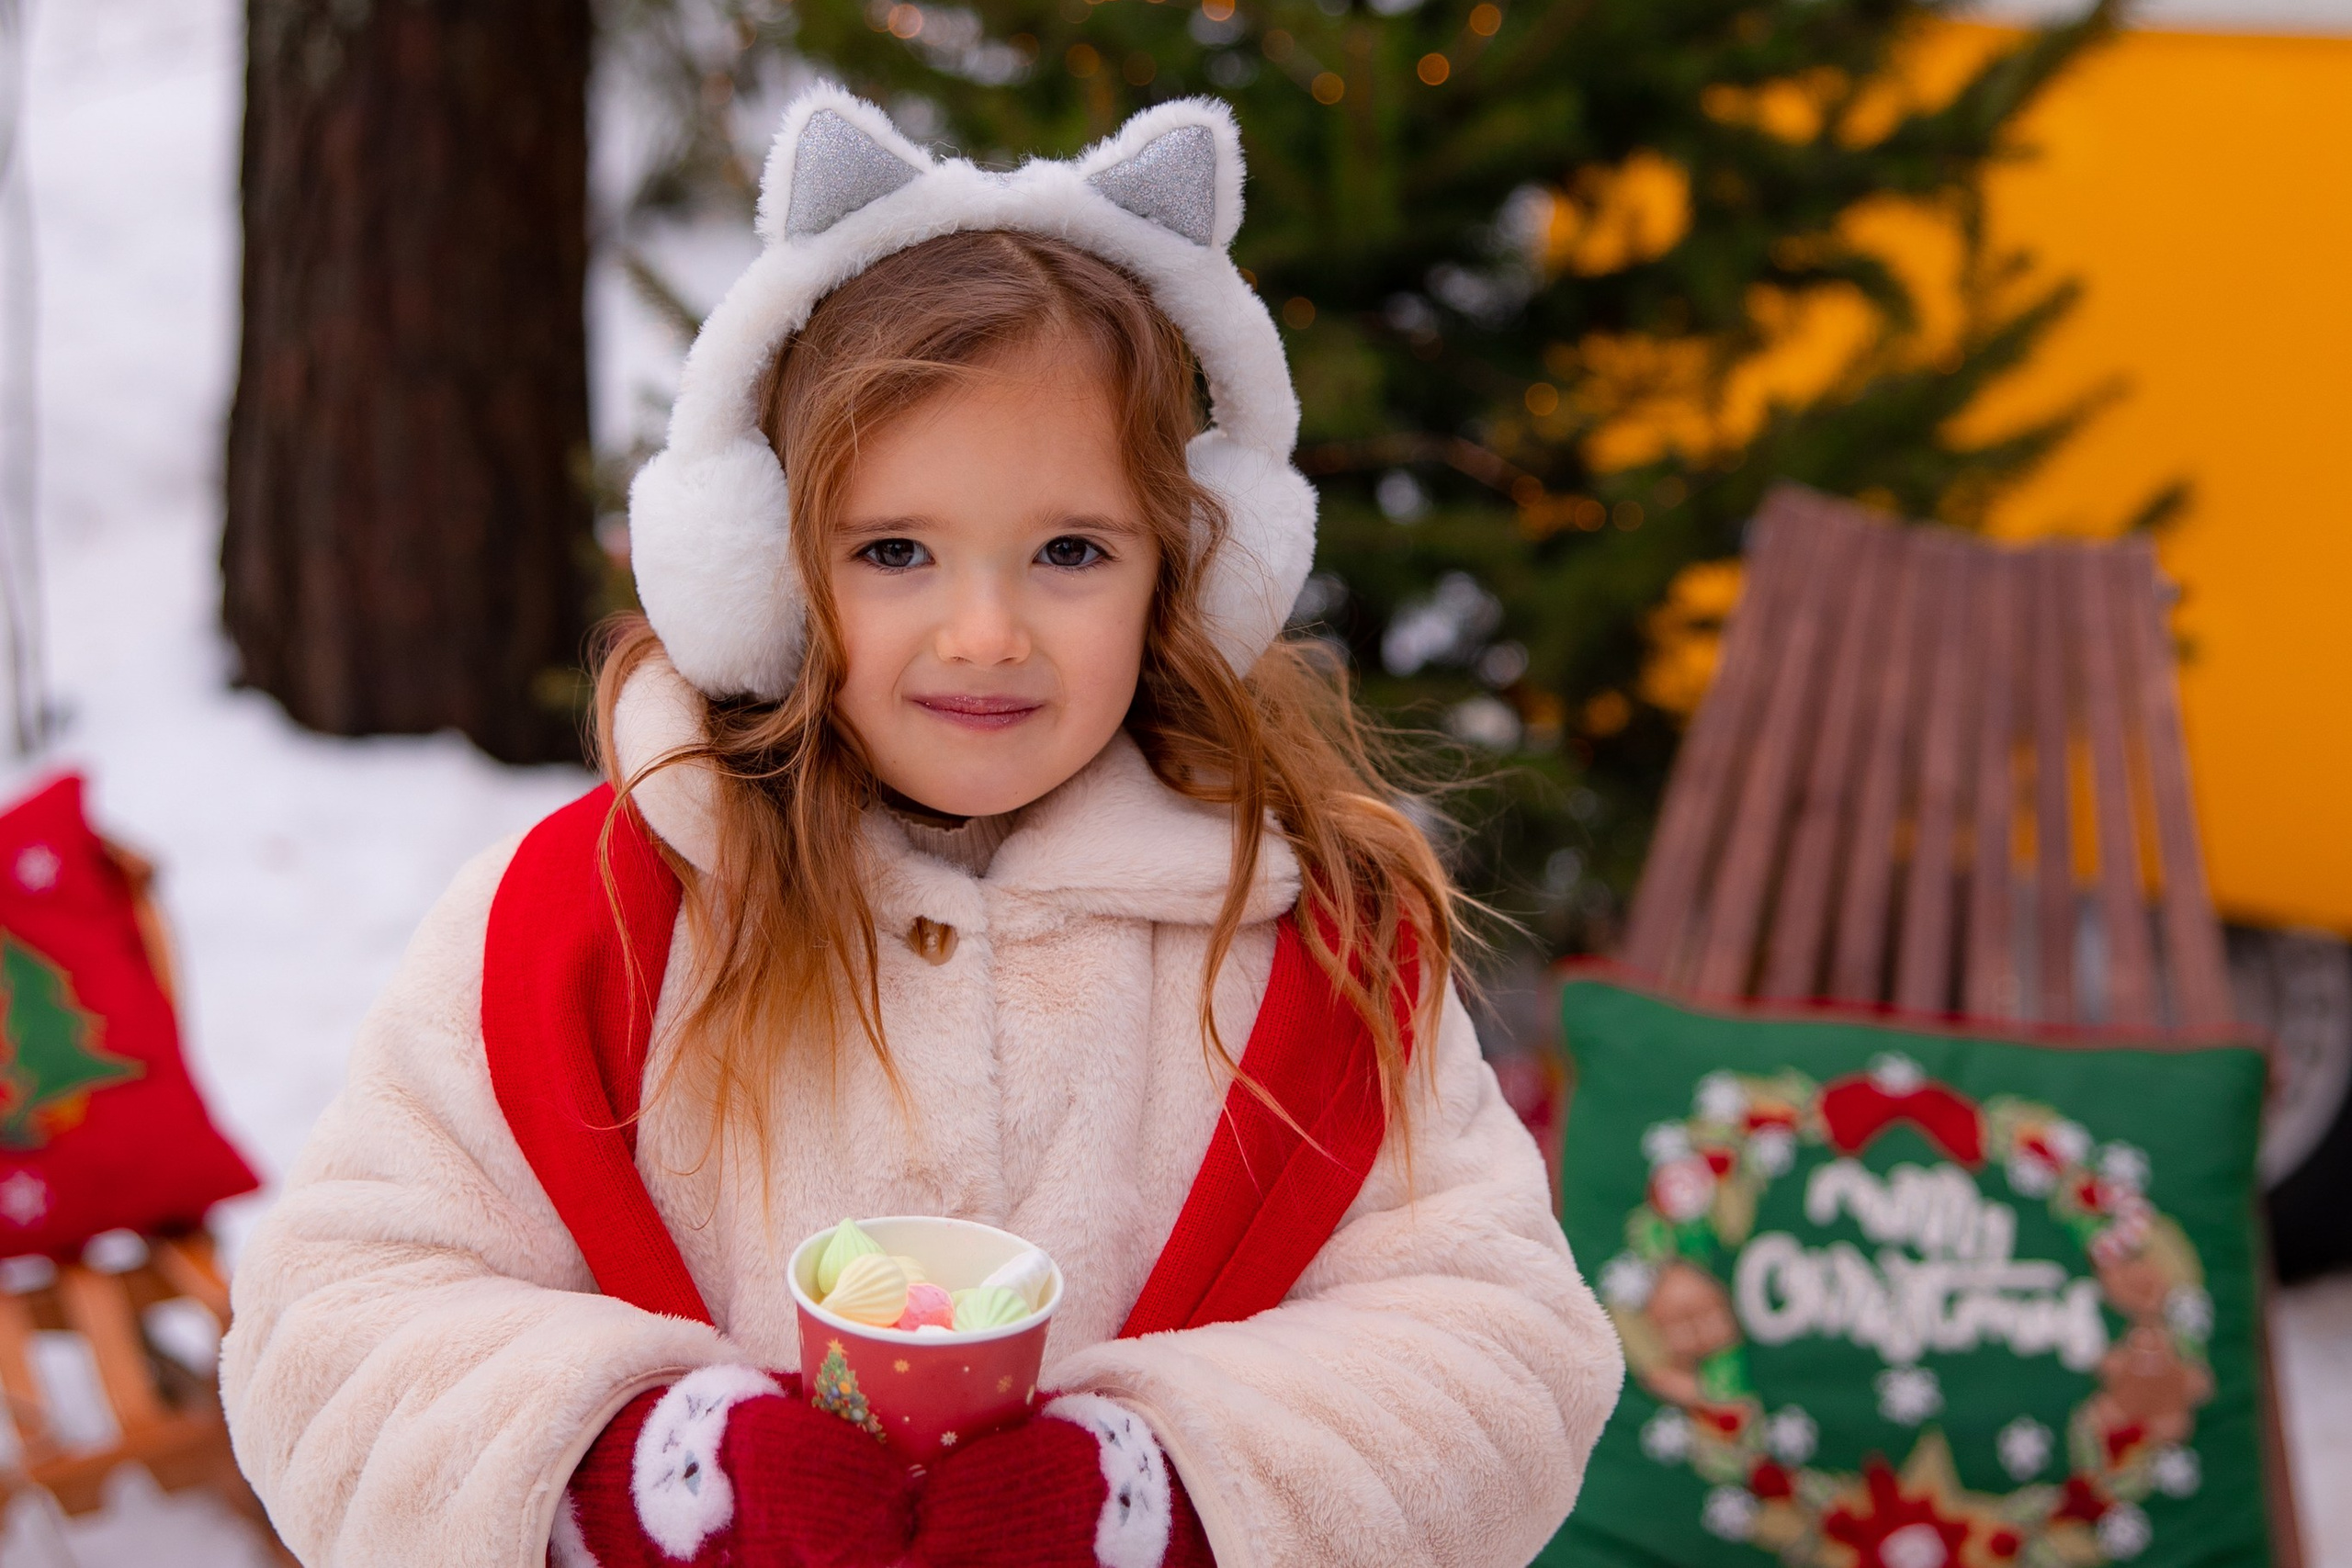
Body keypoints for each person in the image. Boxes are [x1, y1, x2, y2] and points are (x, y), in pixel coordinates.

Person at [220, 88, 1623, 1568]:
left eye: (1071, 551)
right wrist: (645, 1469)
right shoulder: (590, 918)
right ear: (763, 569)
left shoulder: (1305, 945)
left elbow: (1500, 1352)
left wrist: (1155, 1493)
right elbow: (334, 1321)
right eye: (894, 550)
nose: (984, 631)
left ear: (1192, 574)